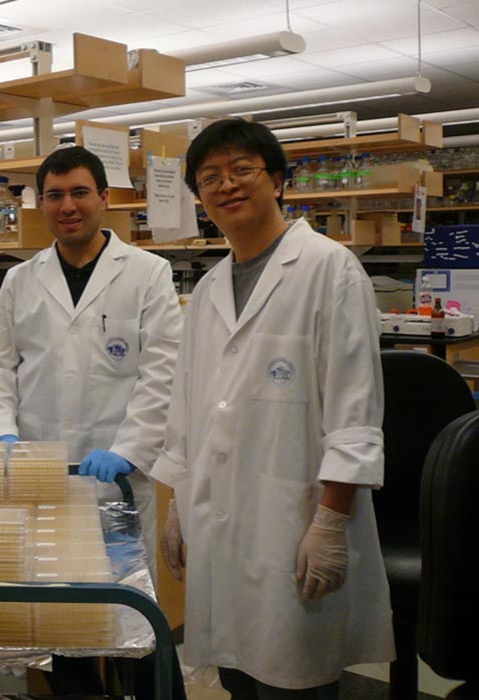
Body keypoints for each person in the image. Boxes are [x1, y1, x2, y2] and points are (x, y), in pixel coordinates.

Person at [155, 118, 394, 699]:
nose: (227, 185)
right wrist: (178, 506)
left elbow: (355, 414)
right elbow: (188, 408)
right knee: (236, 675)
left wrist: (331, 523)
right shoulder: (209, 288)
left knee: (296, 679)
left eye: (243, 170)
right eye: (210, 177)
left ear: (279, 181)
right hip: (219, 519)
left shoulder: (330, 270)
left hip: (296, 519)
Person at [0, 145, 184, 697]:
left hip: (118, 475)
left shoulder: (146, 273)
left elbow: (164, 372)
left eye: (80, 193)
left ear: (103, 199)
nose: (68, 205)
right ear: (41, 204)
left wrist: (131, 448)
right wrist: (5, 436)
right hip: (47, 477)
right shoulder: (21, 279)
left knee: (134, 618)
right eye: (55, 195)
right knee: (65, 621)